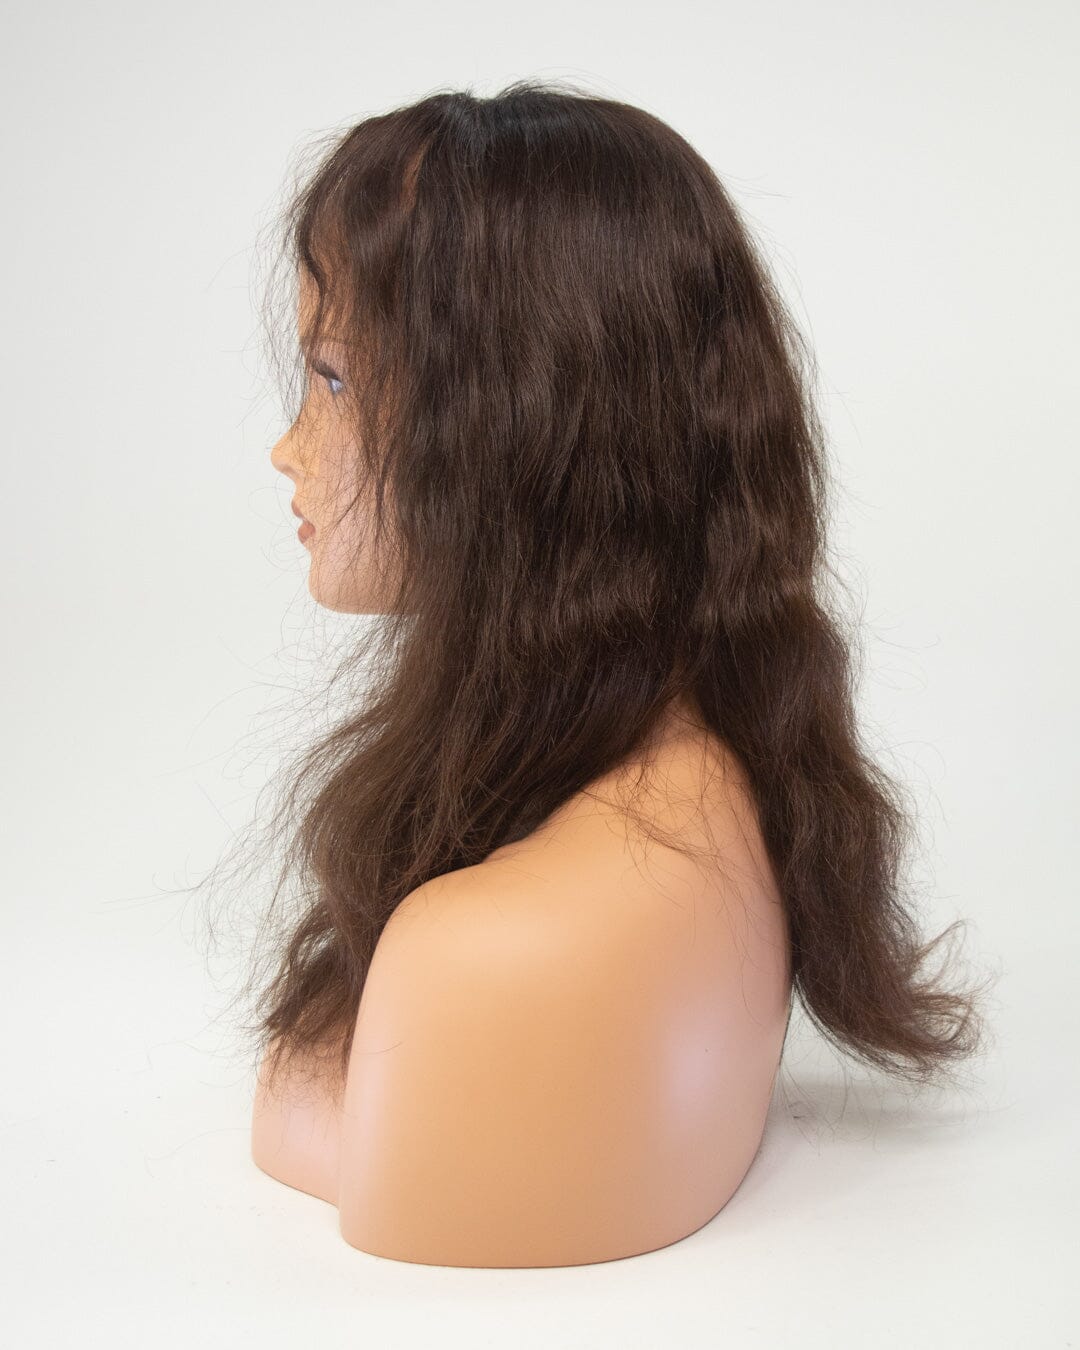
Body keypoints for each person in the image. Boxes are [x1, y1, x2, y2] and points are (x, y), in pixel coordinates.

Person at [246, 80, 989, 1269]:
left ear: (514, 423)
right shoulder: (700, 781)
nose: (288, 448)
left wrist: (332, 1099)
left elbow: (382, 1176)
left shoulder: (497, 950)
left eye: (334, 379)